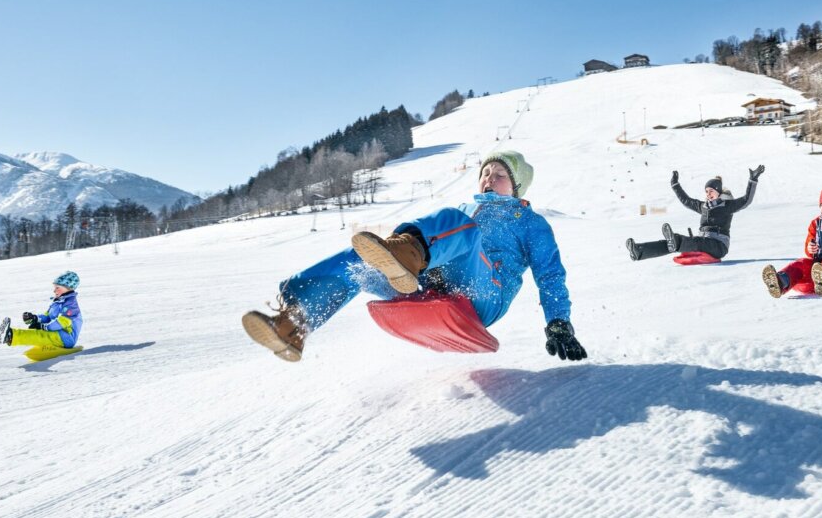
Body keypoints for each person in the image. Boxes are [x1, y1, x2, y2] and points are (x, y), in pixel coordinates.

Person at [241, 150, 587, 363]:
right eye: (484, 172)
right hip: (430, 279)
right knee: (361, 262)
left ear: (517, 187)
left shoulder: (529, 222)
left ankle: (406, 254)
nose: (488, 179)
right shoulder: (468, 207)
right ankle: (294, 323)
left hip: (486, 293)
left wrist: (559, 321)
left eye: (499, 175)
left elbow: (550, 274)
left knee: (460, 225)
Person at [626, 166, 765, 262]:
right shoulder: (703, 207)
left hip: (719, 246)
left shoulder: (727, 206)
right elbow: (686, 201)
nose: (708, 194)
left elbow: (747, 200)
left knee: (690, 241)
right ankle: (640, 251)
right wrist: (675, 184)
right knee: (671, 243)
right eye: (706, 191)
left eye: (711, 191)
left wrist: (753, 180)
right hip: (703, 242)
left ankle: (675, 241)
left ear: (718, 192)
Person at [0, 271, 83, 348]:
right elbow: (47, 316)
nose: (54, 291)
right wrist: (35, 318)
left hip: (66, 337)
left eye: (57, 288)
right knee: (36, 333)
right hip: (58, 333)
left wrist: (44, 327)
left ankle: (8, 335)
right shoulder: (58, 302)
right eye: (54, 288)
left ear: (68, 288)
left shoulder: (71, 305)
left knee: (38, 335)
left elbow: (62, 322)